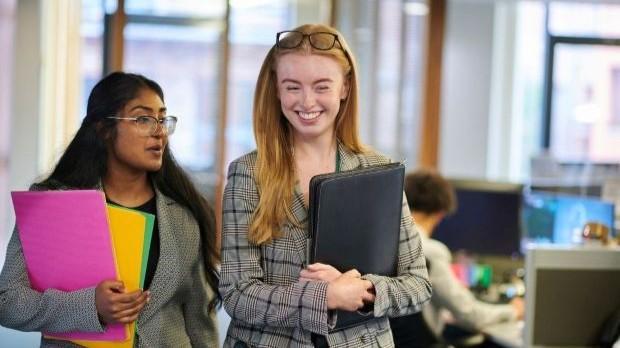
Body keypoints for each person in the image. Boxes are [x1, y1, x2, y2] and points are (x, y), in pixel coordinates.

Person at [219, 23, 432, 348]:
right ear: (276, 90)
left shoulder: (378, 172)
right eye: (292, 87)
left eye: (321, 86)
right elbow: (238, 294)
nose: (306, 102)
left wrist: (364, 290)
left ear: (344, 87)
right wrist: (325, 296)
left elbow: (418, 284)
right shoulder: (248, 174)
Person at [0, 72, 220, 347]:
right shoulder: (52, 203)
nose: (159, 131)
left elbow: (201, 322)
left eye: (163, 119)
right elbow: (7, 301)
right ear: (103, 129)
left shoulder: (185, 215)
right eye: (143, 119)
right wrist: (90, 306)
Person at [394, 169, 524, 343]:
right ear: (440, 214)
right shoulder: (431, 251)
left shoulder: (387, 242)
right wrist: (513, 310)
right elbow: (470, 314)